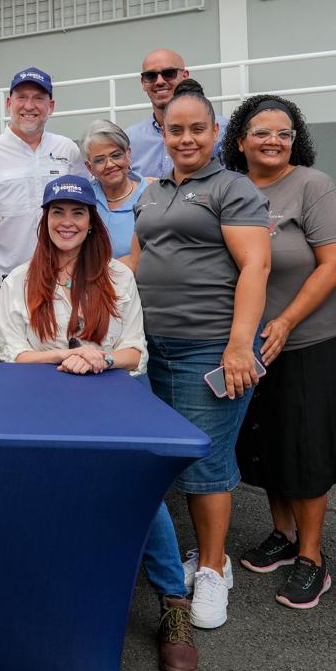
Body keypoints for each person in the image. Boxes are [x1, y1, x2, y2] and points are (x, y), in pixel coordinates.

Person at [0, 175, 197, 671]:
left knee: (141, 490)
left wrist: (99, 358)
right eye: (58, 212)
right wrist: (68, 355)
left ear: (92, 222)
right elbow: (11, 354)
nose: (67, 222)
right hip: (41, 405)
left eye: (77, 213)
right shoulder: (19, 279)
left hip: (110, 400)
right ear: (44, 220)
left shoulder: (117, 276)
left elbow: (134, 351)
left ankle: (173, 604)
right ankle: (43, 603)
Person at [129, 78, 270, 630]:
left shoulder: (233, 187)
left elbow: (256, 265)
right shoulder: (152, 192)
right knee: (168, 456)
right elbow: (135, 262)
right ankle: (201, 556)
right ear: (162, 133)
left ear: (215, 132)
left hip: (209, 347)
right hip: (152, 349)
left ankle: (213, 567)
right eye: (175, 130)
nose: (185, 138)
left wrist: (239, 345)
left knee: (207, 462)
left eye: (196, 129)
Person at [222, 95, 336, 610]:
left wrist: (285, 321)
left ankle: (311, 557)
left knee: (306, 449)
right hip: (253, 344)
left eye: (284, 133)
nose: (274, 141)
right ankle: (283, 534)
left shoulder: (312, 185)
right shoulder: (231, 188)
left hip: (310, 339)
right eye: (262, 132)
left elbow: (335, 263)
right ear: (241, 140)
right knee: (267, 442)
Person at [0, 67, 87, 278]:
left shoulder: (67, 149)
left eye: (38, 98)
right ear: (9, 103)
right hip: (6, 279)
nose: (29, 106)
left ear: (50, 106)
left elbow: (86, 205)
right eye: (22, 97)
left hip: (63, 275)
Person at [81, 120, 148, 265]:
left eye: (116, 155)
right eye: (100, 160)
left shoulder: (151, 195)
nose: (110, 164)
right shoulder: (83, 199)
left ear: (128, 154)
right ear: (89, 167)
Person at [125, 49, 188, 178]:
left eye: (169, 73)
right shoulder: (129, 140)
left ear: (185, 76)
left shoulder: (221, 131)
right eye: (150, 76)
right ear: (143, 82)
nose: (159, 81)